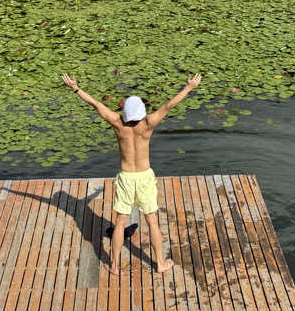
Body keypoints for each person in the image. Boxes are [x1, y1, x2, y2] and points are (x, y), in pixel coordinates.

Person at [61, 71, 202, 275]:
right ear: (141, 111)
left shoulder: (118, 124)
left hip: (126, 177)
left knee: (120, 222)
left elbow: (96, 105)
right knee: (152, 220)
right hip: (144, 177)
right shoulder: (148, 124)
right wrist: (189, 87)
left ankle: (115, 265)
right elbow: (169, 105)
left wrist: (75, 88)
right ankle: (160, 264)